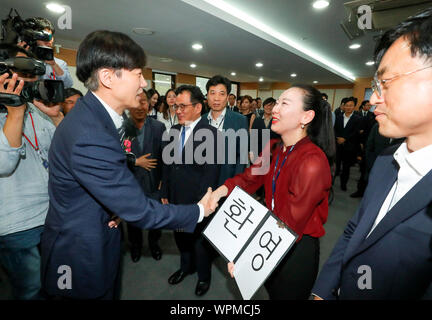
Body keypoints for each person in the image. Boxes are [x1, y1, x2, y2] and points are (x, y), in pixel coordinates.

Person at [40, 30, 213, 300]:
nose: (144, 83)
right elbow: (142, 211)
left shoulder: (96, 119)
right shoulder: (89, 133)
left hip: (99, 234)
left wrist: (114, 205)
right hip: (80, 256)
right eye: (138, 74)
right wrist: (199, 211)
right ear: (108, 77)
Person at [312, 7, 432, 300]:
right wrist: (321, 291)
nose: (374, 98)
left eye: (385, 83)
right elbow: (355, 231)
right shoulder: (386, 162)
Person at [210, 84, 335, 300]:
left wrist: (247, 256)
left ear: (306, 116)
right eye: (277, 102)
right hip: (270, 235)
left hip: (295, 247)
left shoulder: (312, 161)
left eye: (284, 104)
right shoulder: (274, 147)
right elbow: (249, 178)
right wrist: (218, 192)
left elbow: (290, 222)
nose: (274, 109)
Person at [0, 44, 64, 300]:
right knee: (30, 289)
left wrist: (57, 116)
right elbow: (4, 164)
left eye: (33, 72)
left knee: (54, 282)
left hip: (51, 214)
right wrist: (15, 112)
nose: (33, 79)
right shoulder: (18, 110)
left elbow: (67, 152)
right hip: (18, 225)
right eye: (24, 72)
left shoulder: (35, 111)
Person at [161, 85, 220, 297]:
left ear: (198, 107)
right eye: (176, 106)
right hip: (175, 198)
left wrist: (199, 205)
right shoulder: (173, 131)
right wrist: (164, 192)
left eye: (183, 106)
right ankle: (186, 268)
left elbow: (210, 175)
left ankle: (204, 277)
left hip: (198, 202)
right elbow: (168, 166)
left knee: (199, 243)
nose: (178, 111)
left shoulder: (212, 134)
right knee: (181, 238)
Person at [123, 90, 166, 262]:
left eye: (143, 103)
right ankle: (136, 246)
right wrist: (135, 161)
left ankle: (154, 244)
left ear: (149, 105)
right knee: (133, 219)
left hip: (154, 183)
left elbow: (165, 157)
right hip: (131, 183)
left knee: (156, 218)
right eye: (136, 102)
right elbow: (115, 155)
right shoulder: (121, 128)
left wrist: (164, 181)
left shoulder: (158, 127)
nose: (140, 107)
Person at [203, 75, 248, 186]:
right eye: (212, 93)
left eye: (221, 94)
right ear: (207, 96)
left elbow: (241, 156)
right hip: (202, 182)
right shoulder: (200, 120)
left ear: (228, 97)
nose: (216, 98)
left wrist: (234, 184)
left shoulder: (240, 120)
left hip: (228, 181)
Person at [30, 17, 73, 88]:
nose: (48, 40)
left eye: (50, 36)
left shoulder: (60, 63)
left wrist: (54, 65)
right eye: (44, 36)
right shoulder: (25, 57)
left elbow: (68, 85)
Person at [334, 97, 362, 191]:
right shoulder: (338, 117)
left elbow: (356, 132)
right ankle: (331, 182)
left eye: (351, 106)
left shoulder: (357, 119)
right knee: (335, 165)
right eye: (347, 105)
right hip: (337, 145)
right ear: (343, 106)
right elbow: (334, 129)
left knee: (346, 167)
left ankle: (343, 184)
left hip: (349, 146)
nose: (349, 107)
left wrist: (345, 138)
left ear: (354, 106)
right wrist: (338, 137)